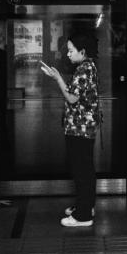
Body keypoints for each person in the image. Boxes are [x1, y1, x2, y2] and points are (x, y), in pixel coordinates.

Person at [41, 31, 100, 227]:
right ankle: (86, 206)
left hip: (79, 128)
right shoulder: (89, 66)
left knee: (81, 170)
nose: (68, 54)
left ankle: (83, 216)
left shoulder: (83, 69)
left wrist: (57, 78)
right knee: (86, 169)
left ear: (82, 51)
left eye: (71, 50)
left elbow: (72, 98)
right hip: (85, 127)